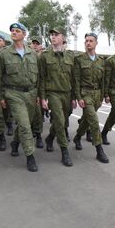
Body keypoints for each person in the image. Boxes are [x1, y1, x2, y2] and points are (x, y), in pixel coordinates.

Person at [0, 22, 39, 172]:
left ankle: (15, 142)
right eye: (12, 31)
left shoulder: (33, 54)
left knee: (25, 123)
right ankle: (30, 156)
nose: (14, 32)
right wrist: (1, 96)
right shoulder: (3, 54)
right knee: (25, 126)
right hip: (13, 93)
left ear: (24, 34)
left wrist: (38, 94)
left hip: (31, 93)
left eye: (17, 30)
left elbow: (39, 77)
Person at [38, 27, 75, 167]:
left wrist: (74, 97)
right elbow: (42, 78)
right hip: (53, 93)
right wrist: (43, 97)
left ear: (63, 38)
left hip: (67, 93)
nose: (53, 37)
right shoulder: (44, 56)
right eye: (52, 35)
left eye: (56, 35)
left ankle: (50, 138)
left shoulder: (70, 56)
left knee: (63, 120)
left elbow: (74, 78)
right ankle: (64, 151)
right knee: (59, 120)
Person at [72, 32, 109, 163]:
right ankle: (99, 150)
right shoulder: (79, 59)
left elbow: (103, 81)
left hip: (97, 95)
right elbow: (76, 80)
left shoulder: (101, 61)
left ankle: (77, 137)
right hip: (85, 94)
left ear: (96, 43)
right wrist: (78, 97)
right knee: (93, 121)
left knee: (87, 120)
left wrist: (104, 95)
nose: (88, 43)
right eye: (86, 41)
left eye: (91, 41)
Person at [29, 35, 45, 149]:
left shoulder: (42, 58)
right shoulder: (26, 56)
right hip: (26, 89)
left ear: (41, 46)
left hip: (37, 89)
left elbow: (43, 77)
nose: (34, 45)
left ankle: (38, 135)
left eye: (37, 43)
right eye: (33, 43)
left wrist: (41, 94)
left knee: (38, 114)